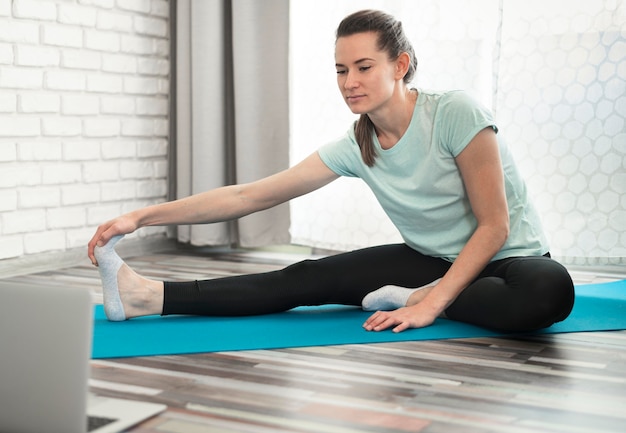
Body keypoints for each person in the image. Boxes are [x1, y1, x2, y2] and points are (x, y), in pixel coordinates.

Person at [88, 9, 574, 333]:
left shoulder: (455, 113)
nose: (350, 82)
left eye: (364, 67)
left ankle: (422, 293)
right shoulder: (356, 144)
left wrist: (430, 303)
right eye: (341, 70)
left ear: (400, 64)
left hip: (511, 261)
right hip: (431, 259)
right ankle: (149, 296)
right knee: (302, 278)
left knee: (549, 292)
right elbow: (250, 197)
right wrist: (142, 217)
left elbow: (495, 226)